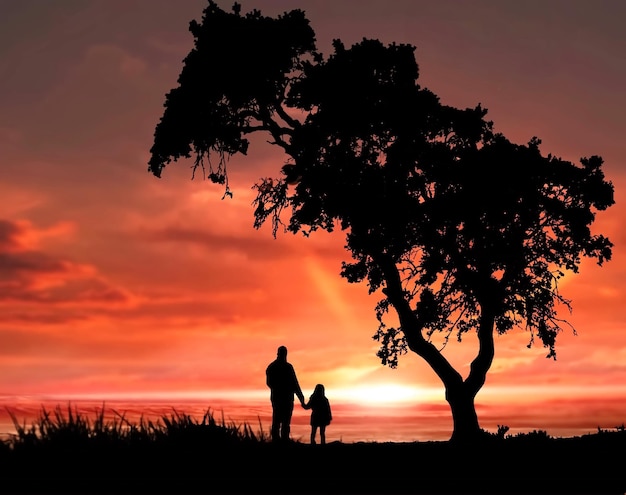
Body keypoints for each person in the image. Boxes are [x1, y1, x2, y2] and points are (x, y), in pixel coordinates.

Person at [265, 345, 305, 442]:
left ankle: (283, 440)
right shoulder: (274, 367)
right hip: (280, 398)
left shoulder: (282, 367)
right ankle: (278, 441)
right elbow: (270, 383)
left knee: (284, 422)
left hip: (284, 398)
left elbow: (295, 384)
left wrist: (301, 398)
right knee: (278, 421)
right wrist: (301, 398)